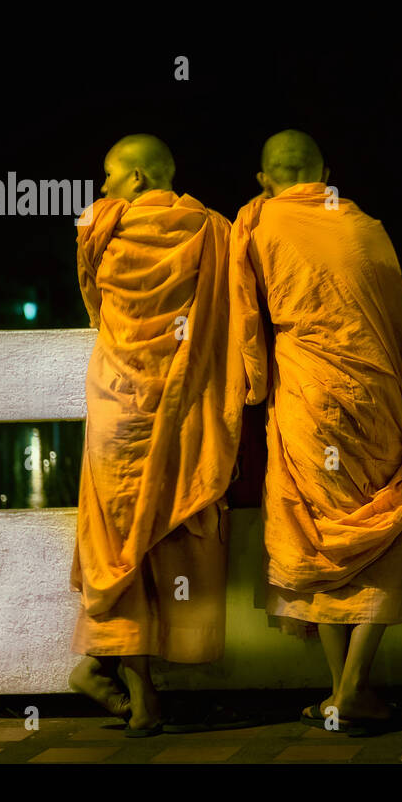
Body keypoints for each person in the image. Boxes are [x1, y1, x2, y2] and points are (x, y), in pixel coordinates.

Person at [229, 130, 402, 734]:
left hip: (308, 394)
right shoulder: (364, 224)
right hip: (377, 391)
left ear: (264, 178)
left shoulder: (257, 223)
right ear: (327, 172)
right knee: (380, 522)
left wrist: (254, 387)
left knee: (316, 531)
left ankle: (343, 691)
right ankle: (351, 690)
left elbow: (246, 319)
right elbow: (398, 311)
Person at [70, 134, 243, 736]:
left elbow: (95, 304)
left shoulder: (98, 226)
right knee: (164, 538)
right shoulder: (212, 230)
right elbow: (233, 315)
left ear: (138, 178)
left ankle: (124, 683)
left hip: (117, 407)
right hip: (181, 411)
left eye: (110, 177)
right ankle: (133, 690)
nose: (102, 191)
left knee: (118, 542)